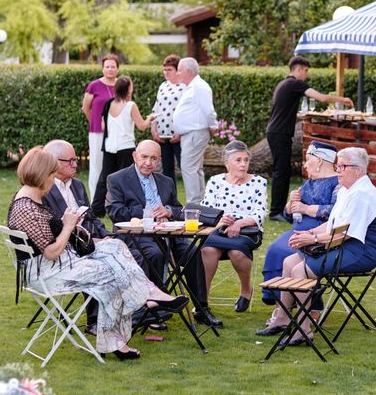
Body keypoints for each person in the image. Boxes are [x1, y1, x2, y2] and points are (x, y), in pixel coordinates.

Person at [7, 146, 189, 360]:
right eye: (51, 174)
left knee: (115, 246)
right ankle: (132, 318)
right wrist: (67, 226)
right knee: (111, 274)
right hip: (47, 273)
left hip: (61, 262)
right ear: (41, 175)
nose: (53, 180)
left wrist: (77, 229)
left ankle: (149, 295)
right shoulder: (26, 209)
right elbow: (51, 253)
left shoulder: (32, 199)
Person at [256, 147, 376, 345]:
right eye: (337, 165)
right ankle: (281, 319)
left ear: (358, 171)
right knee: (289, 262)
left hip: (359, 252)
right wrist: (310, 232)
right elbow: (332, 223)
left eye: (342, 166)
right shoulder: (346, 190)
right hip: (342, 245)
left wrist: (314, 241)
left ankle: (303, 329)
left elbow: (344, 235)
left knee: (300, 271)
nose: (338, 170)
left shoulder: (362, 195)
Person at [105, 139, 222, 328]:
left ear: (159, 160)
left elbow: (178, 209)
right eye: (144, 157)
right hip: (137, 234)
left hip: (170, 233)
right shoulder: (116, 179)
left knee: (192, 253)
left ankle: (201, 308)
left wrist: (168, 210)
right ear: (135, 156)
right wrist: (147, 212)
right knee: (155, 254)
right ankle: (153, 308)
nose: (148, 162)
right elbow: (114, 211)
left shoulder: (166, 181)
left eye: (153, 159)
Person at [266, 55, 353, 222]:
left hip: (276, 131)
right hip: (279, 133)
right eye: (305, 71)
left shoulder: (284, 84)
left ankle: (277, 210)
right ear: (297, 69)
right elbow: (322, 98)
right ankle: (276, 212)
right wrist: (342, 100)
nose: (306, 74)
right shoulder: (294, 83)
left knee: (282, 171)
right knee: (281, 171)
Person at [260, 141, 339, 306]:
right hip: (298, 231)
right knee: (274, 249)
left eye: (308, 160)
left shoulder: (337, 184)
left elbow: (337, 212)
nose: (305, 165)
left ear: (319, 161)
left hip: (321, 235)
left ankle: (308, 307)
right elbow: (290, 216)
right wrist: (290, 206)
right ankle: (280, 304)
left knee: (285, 253)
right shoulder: (308, 183)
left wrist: (306, 208)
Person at [200, 141, 267, 317]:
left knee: (236, 252)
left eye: (246, 160)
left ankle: (245, 290)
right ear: (227, 163)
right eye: (238, 160)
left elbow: (260, 212)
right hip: (219, 229)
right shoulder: (215, 181)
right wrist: (221, 219)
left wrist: (239, 223)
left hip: (248, 230)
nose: (243, 164)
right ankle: (202, 301)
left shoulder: (259, 182)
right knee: (207, 250)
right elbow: (207, 208)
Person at [91, 75, 155, 217]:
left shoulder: (108, 104)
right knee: (128, 179)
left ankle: (96, 208)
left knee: (104, 179)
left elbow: (103, 125)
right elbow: (142, 126)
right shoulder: (131, 105)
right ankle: (127, 206)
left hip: (109, 147)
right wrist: (150, 118)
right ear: (128, 88)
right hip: (125, 147)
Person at [172, 57, 218, 204]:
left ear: (189, 71)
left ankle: (194, 203)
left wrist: (213, 126)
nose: (177, 73)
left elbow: (208, 110)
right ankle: (200, 202)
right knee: (195, 168)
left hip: (195, 133)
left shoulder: (199, 87)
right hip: (191, 133)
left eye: (179, 70)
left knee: (188, 167)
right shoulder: (193, 86)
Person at [82, 54, 118, 200]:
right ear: (103, 69)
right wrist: (94, 122)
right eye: (107, 66)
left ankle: (112, 198)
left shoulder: (121, 85)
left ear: (117, 68)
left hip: (116, 133)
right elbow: (86, 107)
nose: (110, 69)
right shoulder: (94, 85)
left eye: (113, 66)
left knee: (113, 166)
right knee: (97, 165)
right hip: (97, 132)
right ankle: (95, 201)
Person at [151, 54, 185, 184]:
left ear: (177, 70)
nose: (166, 72)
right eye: (164, 69)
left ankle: (192, 201)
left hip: (179, 135)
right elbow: (156, 108)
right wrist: (154, 129)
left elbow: (187, 112)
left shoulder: (184, 87)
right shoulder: (163, 86)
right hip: (163, 135)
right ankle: (171, 201)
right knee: (167, 170)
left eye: (169, 70)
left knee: (185, 168)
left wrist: (181, 132)